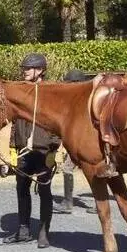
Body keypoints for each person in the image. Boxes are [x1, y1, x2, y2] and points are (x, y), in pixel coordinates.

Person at [3, 53, 60, 248]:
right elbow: (14, 121)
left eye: (28, 68)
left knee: (44, 190)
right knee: (21, 189)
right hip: (23, 151)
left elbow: (58, 122)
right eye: (24, 68)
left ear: (40, 70)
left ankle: (44, 231)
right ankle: (23, 229)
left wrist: (55, 147)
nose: (24, 71)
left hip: (44, 151)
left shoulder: (50, 93)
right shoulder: (22, 92)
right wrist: (12, 146)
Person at [56, 69, 88, 213]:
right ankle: (68, 202)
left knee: (96, 172)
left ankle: (71, 203)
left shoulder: (86, 101)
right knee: (67, 168)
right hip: (77, 143)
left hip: (87, 144)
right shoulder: (75, 101)